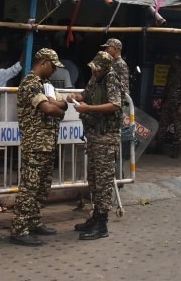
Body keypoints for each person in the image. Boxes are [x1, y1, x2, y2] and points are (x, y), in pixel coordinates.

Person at [10, 49, 67, 246]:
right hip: (34, 144)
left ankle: (34, 221)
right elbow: (49, 108)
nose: (54, 71)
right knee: (29, 188)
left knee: (42, 188)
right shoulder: (30, 83)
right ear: (43, 62)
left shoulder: (47, 85)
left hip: (48, 144)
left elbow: (63, 104)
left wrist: (58, 107)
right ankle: (19, 228)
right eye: (53, 66)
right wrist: (58, 109)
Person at [71, 51, 123, 240]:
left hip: (106, 137)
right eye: (93, 68)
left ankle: (102, 224)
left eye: (97, 69)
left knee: (103, 182)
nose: (93, 72)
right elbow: (86, 94)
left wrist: (88, 109)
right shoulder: (96, 78)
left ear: (105, 68)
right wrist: (75, 97)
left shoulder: (111, 79)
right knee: (93, 178)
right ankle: (95, 217)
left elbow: (115, 105)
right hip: (94, 136)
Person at [155, 55, 181, 158]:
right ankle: (159, 147)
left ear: (178, 62)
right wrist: (163, 101)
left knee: (177, 128)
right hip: (168, 103)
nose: (172, 63)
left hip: (177, 105)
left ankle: (175, 150)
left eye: (174, 61)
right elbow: (167, 87)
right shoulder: (171, 72)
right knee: (162, 125)